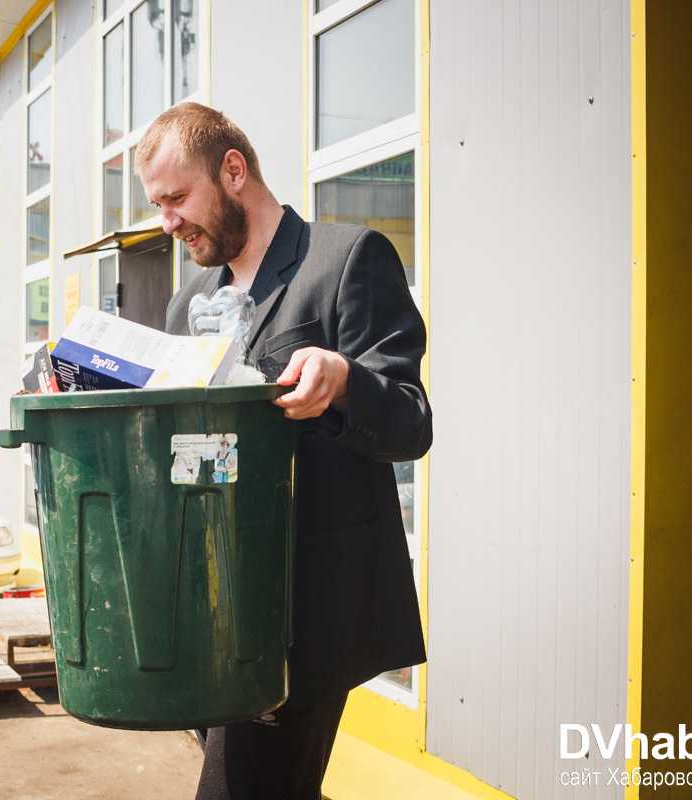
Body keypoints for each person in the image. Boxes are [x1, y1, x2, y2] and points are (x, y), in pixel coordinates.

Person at [136, 103, 433, 800]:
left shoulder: (346, 259)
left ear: (233, 170)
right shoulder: (189, 303)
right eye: (159, 205)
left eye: (177, 199)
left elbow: (412, 425)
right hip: (213, 615)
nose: (167, 223)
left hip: (307, 617)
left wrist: (346, 383)